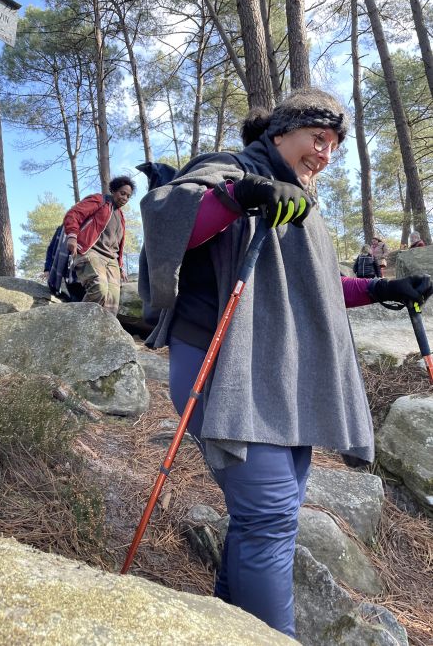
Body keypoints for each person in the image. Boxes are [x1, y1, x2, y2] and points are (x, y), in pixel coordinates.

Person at [138, 88, 433, 639]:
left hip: (274, 376)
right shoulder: (232, 169)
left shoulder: (301, 199)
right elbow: (170, 222)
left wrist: (380, 287)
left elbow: (318, 285)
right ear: (280, 133)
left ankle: (230, 627)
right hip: (221, 368)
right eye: (317, 139)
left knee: (270, 516)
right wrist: (239, 196)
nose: (324, 154)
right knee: (270, 516)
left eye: (333, 146)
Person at [63, 176, 135, 315]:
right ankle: (76, 325)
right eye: (122, 193)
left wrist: (120, 267)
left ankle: (102, 334)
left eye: (128, 196)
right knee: (99, 289)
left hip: (111, 260)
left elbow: (117, 244)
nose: (125, 198)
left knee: (112, 302)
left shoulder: (121, 217)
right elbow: (74, 214)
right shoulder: (100, 200)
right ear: (113, 191)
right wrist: (72, 235)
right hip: (91, 251)